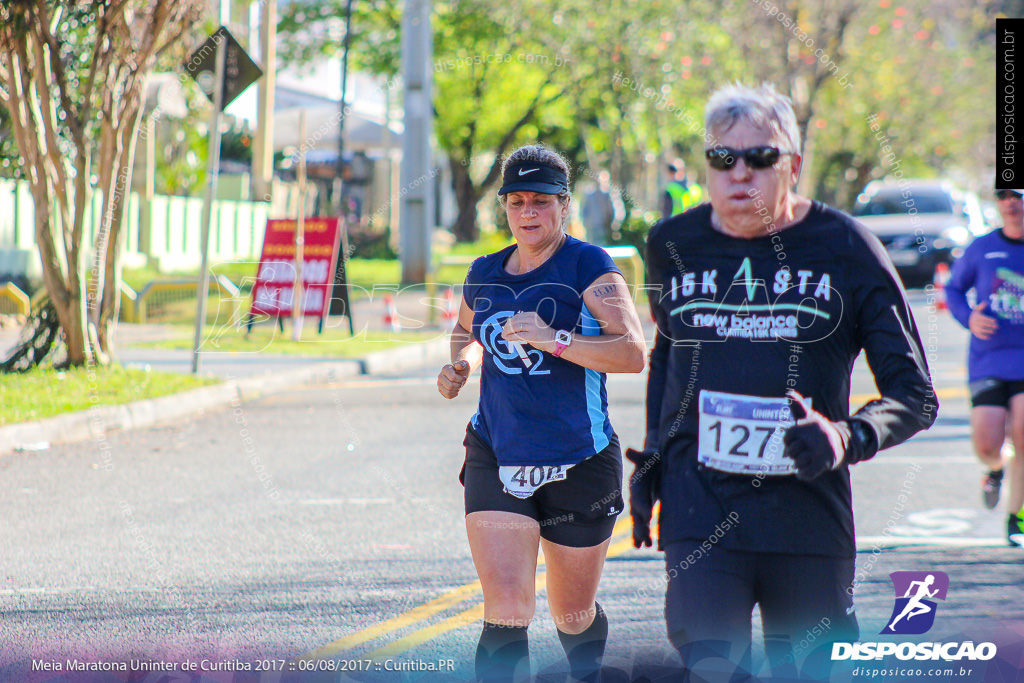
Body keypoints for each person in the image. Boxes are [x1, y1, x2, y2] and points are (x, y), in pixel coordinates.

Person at [633, 83, 937, 679]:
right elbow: (671, 355)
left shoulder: (847, 248)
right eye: (723, 158)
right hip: (702, 508)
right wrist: (654, 462)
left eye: (760, 157)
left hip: (807, 518)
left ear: (792, 165)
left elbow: (914, 394)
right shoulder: (674, 245)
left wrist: (846, 438)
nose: (739, 173)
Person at [437, 144, 646, 683]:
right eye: (517, 201)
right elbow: (465, 329)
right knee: (507, 608)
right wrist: (460, 361)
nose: (529, 213)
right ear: (503, 206)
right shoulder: (484, 271)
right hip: (498, 452)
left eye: (542, 202)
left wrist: (554, 339)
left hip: (579, 457)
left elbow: (631, 352)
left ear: (565, 204)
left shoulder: (588, 265)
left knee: (571, 615)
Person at [945, 187, 1024, 546]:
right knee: (988, 445)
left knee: (1023, 434)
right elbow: (953, 290)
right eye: (1004, 195)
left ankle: (1016, 519)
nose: (1011, 202)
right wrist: (968, 319)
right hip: (988, 359)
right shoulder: (981, 248)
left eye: (1019, 195)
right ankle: (995, 470)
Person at [581, 170, 619, 246]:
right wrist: (586, 223)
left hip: (605, 227)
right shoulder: (589, 195)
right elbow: (584, 210)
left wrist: (614, 224)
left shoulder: (610, 194)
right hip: (592, 226)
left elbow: (615, 210)